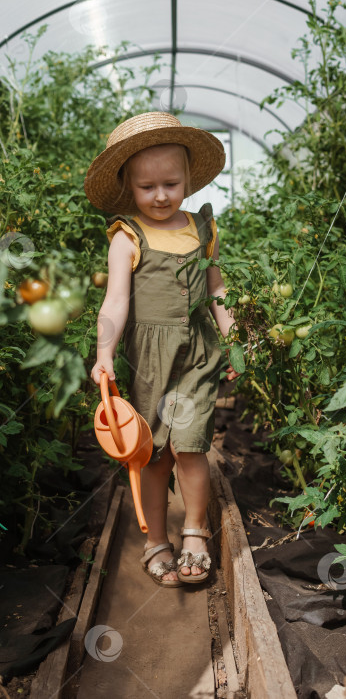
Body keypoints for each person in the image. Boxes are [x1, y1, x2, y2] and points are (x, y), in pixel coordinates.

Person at [85, 111, 240, 587]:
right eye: (147, 187)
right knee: (152, 452)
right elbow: (115, 301)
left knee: (191, 446)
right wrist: (105, 353)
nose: (160, 195)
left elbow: (217, 292)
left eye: (170, 183)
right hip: (150, 357)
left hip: (197, 353)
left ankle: (194, 531)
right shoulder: (126, 237)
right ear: (130, 186)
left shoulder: (202, 228)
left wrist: (234, 342)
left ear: (188, 180)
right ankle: (155, 539)